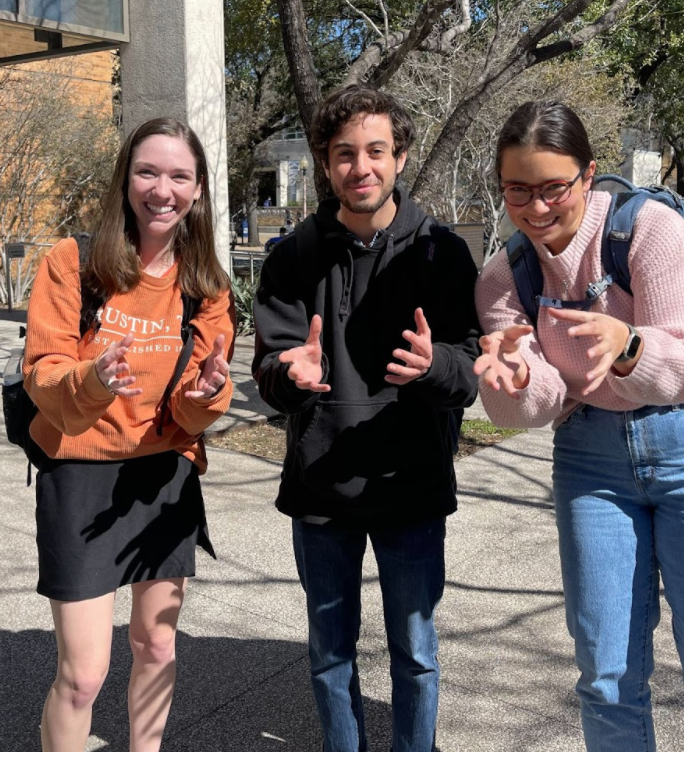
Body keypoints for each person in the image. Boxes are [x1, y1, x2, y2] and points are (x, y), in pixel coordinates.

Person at [473, 101, 684, 751]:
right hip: (591, 457)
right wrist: (516, 384)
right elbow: (536, 403)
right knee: (607, 676)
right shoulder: (505, 276)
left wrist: (630, 346)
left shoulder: (649, 230)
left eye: (553, 187)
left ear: (586, 177)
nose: (536, 208)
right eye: (517, 190)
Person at [252, 84, 481, 751]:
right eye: (345, 153)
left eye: (376, 151)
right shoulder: (293, 257)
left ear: (400, 157)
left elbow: (471, 374)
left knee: (416, 653)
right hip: (321, 487)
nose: (362, 167)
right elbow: (270, 369)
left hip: (410, 484)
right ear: (325, 164)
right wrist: (290, 378)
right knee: (330, 654)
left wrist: (433, 365)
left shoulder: (442, 253)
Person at [23, 117, 236, 751]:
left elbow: (196, 404)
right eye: (148, 171)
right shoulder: (74, 263)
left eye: (179, 176)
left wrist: (208, 396)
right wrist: (93, 379)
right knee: (84, 674)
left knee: (156, 642)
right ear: (126, 179)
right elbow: (43, 373)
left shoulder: (205, 286)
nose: (162, 189)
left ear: (197, 190)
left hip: (163, 476)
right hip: (80, 475)